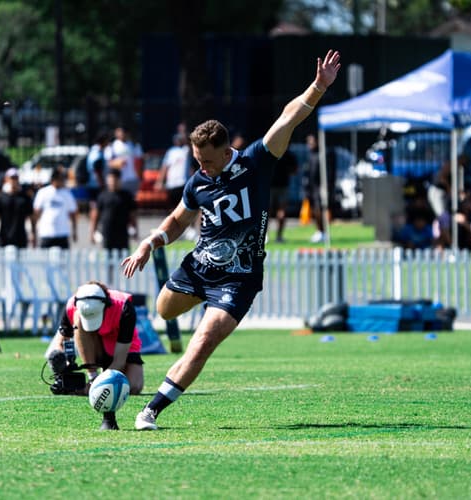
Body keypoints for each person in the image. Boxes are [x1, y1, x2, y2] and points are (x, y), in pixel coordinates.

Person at [121, 48, 341, 431]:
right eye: (196, 160)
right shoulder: (199, 180)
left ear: (226, 151)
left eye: (206, 161)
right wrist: (150, 242)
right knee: (164, 310)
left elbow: (288, 118)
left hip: (239, 279)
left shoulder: (256, 161)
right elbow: (176, 220)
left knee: (205, 339)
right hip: (199, 266)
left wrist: (318, 87)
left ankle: (151, 410)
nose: (200, 167)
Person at [44, 281, 144, 430]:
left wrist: (98, 385)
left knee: (134, 387)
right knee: (78, 319)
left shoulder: (124, 307)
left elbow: (119, 359)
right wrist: (62, 361)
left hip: (120, 349)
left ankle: (87, 386)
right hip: (94, 346)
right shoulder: (72, 304)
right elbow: (60, 341)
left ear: (106, 305)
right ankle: (91, 375)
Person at [90, 169, 138, 252]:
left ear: (119, 180)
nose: (113, 182)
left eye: (115, 180)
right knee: (108, 256)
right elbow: (95, 215)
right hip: (107, 233)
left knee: (123, 257)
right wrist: (92, 232)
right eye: (110, 180)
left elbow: (132, 214)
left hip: (122, 233)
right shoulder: (102, 195)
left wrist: (135, 230)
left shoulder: (126, 196)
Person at [0, 168, 36, 248]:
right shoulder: (0, 197)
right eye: (12, 178)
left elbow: (32, 217)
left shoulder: (25, 198)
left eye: (15, 178)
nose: (14, 180)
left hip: (20, 238)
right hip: (4, 237)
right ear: (6, 179)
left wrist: (33, 233)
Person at [32, 168, 78, 249]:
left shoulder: (67, 193)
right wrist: (34, 232)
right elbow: (36, 212)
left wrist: (74, 231)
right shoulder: (43, 192)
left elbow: (73, 213)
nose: (62, 181)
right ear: (53, 179)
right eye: (60, 179)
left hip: (62, 233)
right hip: (46, 232)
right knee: (45, 259)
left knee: (63, 260)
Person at [304, 133, 332, 243]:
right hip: (311, 187)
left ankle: (323, 231)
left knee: (320, 209)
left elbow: (328, 172)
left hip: (320, 187)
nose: (310, 144)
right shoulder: (310, 155)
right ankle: (319, 231)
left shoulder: (323, 154)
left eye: (312, 141)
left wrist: (327, 187)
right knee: (314, 210)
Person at [155, 133, 191, 209]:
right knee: (173, 207)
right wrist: (160, 181)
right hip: (172, 184)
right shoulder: (171, 151)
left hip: (183, 183)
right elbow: (165, 167)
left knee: (183, 206)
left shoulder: (186, 150)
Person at [270, 148, 298, 242]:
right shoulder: (289, 154)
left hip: (274, 186)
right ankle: (278, 236)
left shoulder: (270, 151)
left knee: (268, 212)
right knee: (280, 212)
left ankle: (268, 236)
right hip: (279, 186)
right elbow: (294, 171)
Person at [106, 126, 141, 196]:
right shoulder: (112, 146)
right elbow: (109, 163)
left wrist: (140, 176)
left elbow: (139, 162)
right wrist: (117, 163)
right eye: (118, 132)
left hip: (132, 179)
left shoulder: (134, 145)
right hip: (118, 180)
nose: (121, 134)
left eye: (122, 132)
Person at [84, 131, 110, 202]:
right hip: (97, 185)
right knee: (96, 207)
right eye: (107, 141)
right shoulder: (97, 153)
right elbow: (97, 170)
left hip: (93, 184)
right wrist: (102, 185)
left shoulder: (93, 151)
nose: (108, 143)